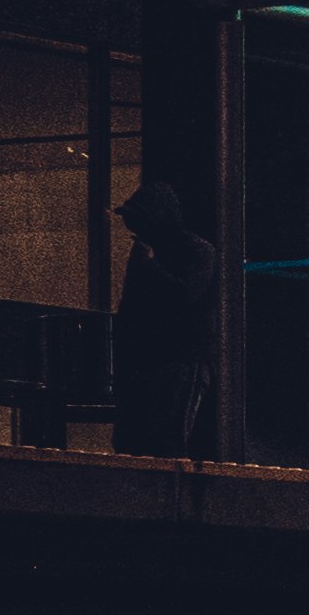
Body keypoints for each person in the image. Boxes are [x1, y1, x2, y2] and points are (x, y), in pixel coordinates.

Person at [105, 176, 218, 458]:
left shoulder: (196, 250)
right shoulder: (164, 251)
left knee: (163, 442)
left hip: (178, 359)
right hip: (148, 360)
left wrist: (148, 265)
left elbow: (183, 295)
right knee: (137, 442)